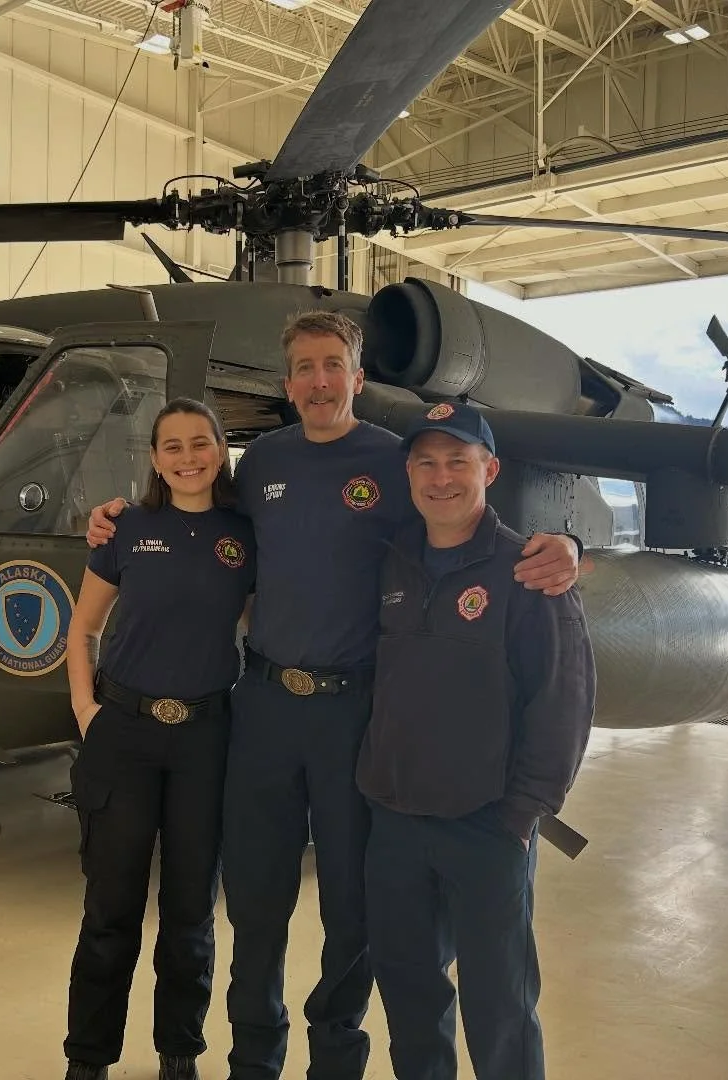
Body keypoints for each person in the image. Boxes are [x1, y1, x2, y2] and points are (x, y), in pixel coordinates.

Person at [85, 311, 582, 1080]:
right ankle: (256, 1055)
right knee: (255, 901)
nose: (319, 381)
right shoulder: (260, 465)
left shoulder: (395, 461)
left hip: (355, 716)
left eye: (333, 365)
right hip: (264, 706)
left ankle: (335, 1063)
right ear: (288, 385)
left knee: (353, 912)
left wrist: (559, 545)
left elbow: (459, 517)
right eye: (305, 368)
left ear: (356, 377)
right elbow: (203, 524)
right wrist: (118, 516)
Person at [356, 401, 596, 1080]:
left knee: (501, 1008)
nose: (441, 478)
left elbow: (564, 698)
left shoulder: (530, 570)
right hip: (395, 820)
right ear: (408, 473)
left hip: (487, 825)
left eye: (457, 461)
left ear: (489, 469)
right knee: (409, 993)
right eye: (426, 463)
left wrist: (523, 813)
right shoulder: (393, 560)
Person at [62, 397, 257, 1080]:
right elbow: (82, 629)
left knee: (190, 911)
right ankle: (88, 1057)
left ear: (220, 450)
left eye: (200, 443)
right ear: (154, 458)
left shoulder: (245, 533)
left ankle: (179, 1050)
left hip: (206, 738)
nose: (188, 458)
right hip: (126, 734)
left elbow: (261, 626)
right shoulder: (125, 527)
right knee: (110, 907)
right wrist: (87, 711)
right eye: (171, 446)